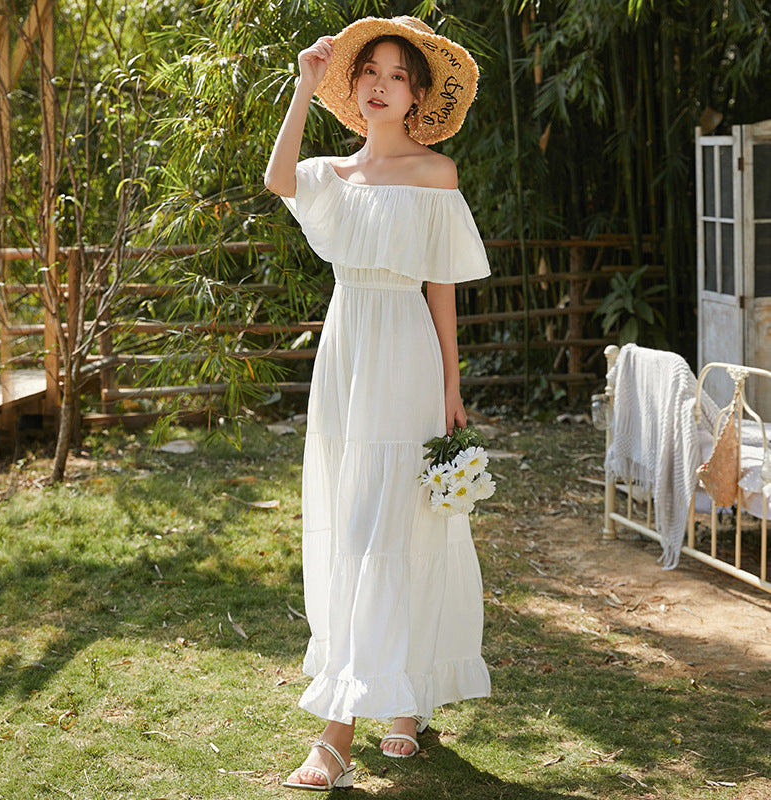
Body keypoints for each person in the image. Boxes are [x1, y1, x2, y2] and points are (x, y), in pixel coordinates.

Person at [264, 15, 491, 791]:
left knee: (402, 525)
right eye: (370, 72)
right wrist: (301, 84)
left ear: (417, 95)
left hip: (407, 353)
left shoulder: (437, 175)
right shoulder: (334, 173)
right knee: (353, 525)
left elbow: (442, 288)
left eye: (397, 75)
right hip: (347, 351)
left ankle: (374, 713)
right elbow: (277, 179)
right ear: (353, 88)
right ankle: (365, 709)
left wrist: (453, 386)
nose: (380, 84)